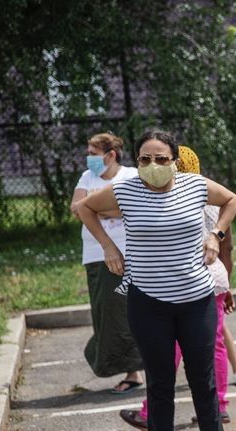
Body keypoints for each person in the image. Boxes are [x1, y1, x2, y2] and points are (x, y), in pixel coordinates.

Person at [79, 129, 236, 431]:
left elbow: (231, 199)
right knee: (160, 381)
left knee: (202, 378)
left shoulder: (194, 185)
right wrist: (108, 246)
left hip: (196, 300)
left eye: (161, 159)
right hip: (148, 302)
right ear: (137, 161)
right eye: (145, 159)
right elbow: (84, 208)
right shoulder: (125, 190)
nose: (153, 165)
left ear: (175, 161)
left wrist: (216, 234)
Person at [119, 146, 234, 431]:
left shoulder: (176, 201)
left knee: (167, 351)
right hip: (216, 278)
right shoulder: (212, 199)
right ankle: (219, 407)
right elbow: (226, 246)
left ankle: (150, 413)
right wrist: (228, 284)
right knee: (214, 346)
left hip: (187, 283)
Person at [70, 132, 144, 394]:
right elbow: (76, 209)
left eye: (93, 153)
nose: (88, 158)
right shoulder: (86, 178)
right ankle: (130, 369)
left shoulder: (130, 176)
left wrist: (93, 209)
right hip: (96, 255)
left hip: (131, 252)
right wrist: (104, 209)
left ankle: (137, 371)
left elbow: (133, 207)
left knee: (131, 312)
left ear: (111, 155)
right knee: (107, 315)